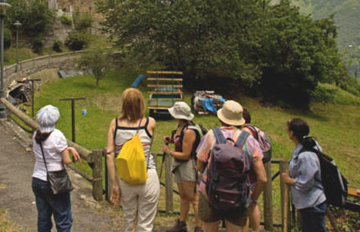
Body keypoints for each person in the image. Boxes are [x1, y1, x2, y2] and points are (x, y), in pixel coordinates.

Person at [195, 100, 267, 232]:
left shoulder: (211, 135)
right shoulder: (249, 140)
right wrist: (253, 196)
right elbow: (263, 178)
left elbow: (199, 165)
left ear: (221, 117)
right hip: (238, 195)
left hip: (210, 193)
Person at [106, 88, 159, 232]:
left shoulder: (114, 125)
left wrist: (115, 183)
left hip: (125, 178)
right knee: (145, 224)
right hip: (147, 175)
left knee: (130, 221)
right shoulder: (150, 123)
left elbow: (110, 155)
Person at [32, 105, 81, 232]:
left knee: (43, 219)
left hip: (37, 178)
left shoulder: (35, 135)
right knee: (63, 218)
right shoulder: (57, 135)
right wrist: (69, 150)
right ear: (55, 120)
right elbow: (67, 161)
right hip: (54, 181)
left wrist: (66, 148)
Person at [280, 118, 327, 232]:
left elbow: (306, 182)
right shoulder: (306, 146)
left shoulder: (306, 155)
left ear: (292, 133)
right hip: (307, 204)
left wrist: (288, 180)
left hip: (312, 204)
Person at [163, 102, 202, 232]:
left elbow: (186, 154)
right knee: (184, 196)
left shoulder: (189, 131)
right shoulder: (181, 126)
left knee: (194, 199)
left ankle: (199, 228)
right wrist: (171, 140)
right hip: (180, 165)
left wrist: (169, 152)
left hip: (188, 165)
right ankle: (182, 224)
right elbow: (180, 142)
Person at [241, 108, 265, 232]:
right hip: (254, 173)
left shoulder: (245, 132)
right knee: (253, 204)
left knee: (243, 209)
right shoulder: (253, 128)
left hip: (248, 175)